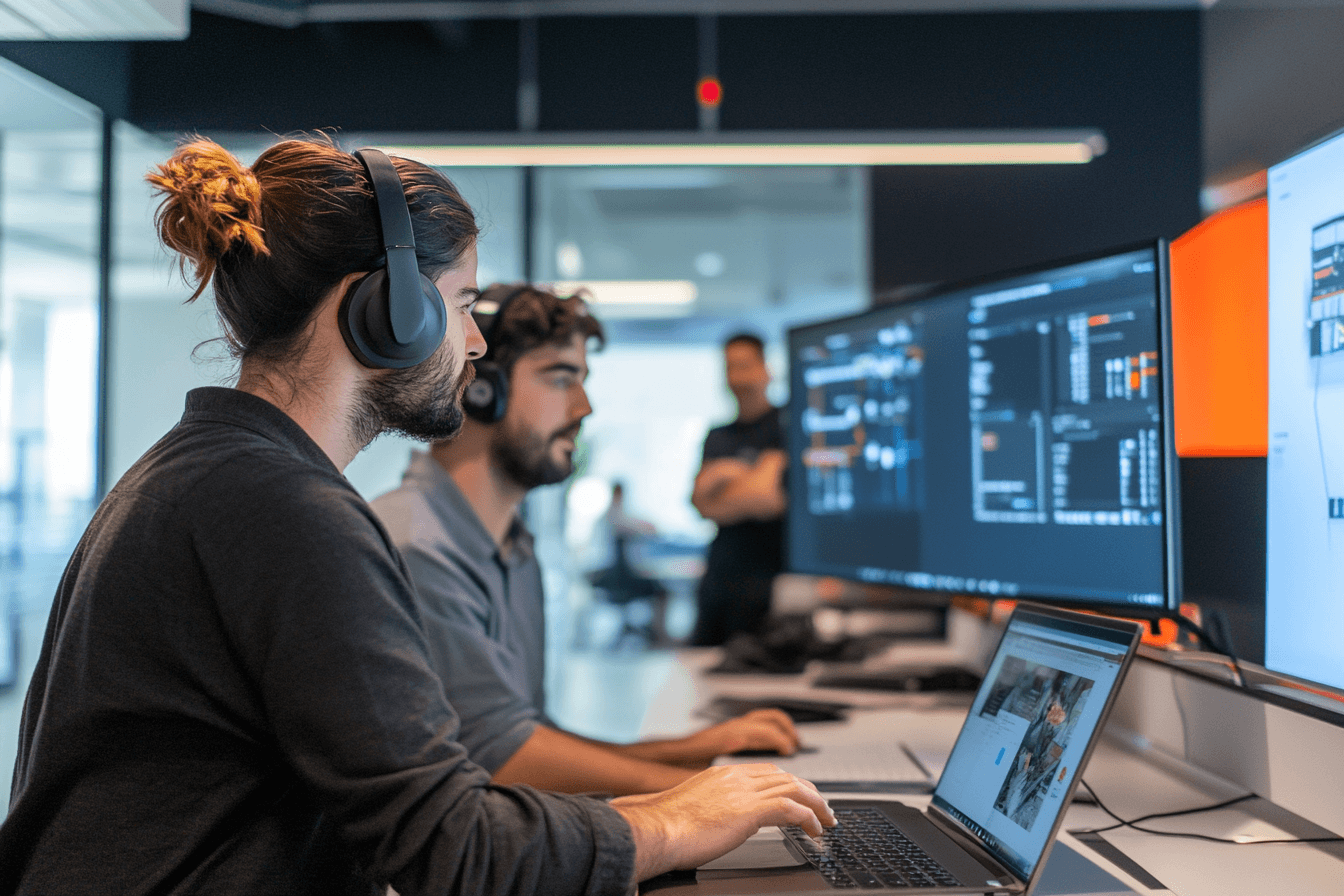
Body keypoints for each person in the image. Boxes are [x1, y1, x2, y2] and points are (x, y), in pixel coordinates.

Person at [0, 137, 833, 895]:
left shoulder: (209, 472)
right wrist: (674, 820)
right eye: (463, 304)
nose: (474, 346)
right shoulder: (281, 507)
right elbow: (455, 850)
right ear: (391, 310)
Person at [371, 284, 801, 798]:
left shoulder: (512, 547)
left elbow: (533, 740)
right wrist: (711, 788)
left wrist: (696, 748)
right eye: (561, 378)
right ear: (480, 388)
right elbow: (498, 758)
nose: (584, 407)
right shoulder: (418, 544)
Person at [689, 332, 787, 646]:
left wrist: (722, 482)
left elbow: (767, 498)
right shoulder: (716, 436)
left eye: (745, 365)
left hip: (768, 583)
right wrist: (746, 473)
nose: (737, 377)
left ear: (765, 369)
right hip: (719, 582)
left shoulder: (785, 425)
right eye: (730, 367)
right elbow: (702, 504)